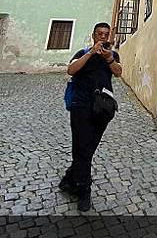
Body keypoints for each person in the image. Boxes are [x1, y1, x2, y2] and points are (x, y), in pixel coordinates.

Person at [59, 22, 122, 211]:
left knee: (87, 148)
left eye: (106, 34)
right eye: (99, 34)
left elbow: (118, 73)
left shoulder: (113, 55)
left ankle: (69, 179)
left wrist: (109, 58)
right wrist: (90, 53)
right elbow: (71, 70)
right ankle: (84, 190)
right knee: (82, 147)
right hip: (81, 105)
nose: (103, 37)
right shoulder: (82, 52)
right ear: (93, 36)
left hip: (102, 108)